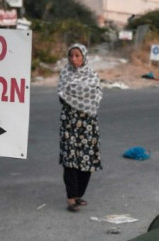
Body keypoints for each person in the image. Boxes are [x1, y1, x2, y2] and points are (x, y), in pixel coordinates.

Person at [57, 43, 102, 213]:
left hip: (88, 124)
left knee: (87, 159)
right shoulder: (65, 74)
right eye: (71, 56)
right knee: (70, 159)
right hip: (70, 123)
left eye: (77, 55)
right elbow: (62, 95)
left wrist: (78, 98)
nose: (74, 59)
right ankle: (71, 198)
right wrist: (82, 98)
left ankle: (78, 194)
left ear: (84, 57)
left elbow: (96, 96)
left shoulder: (92, 75)